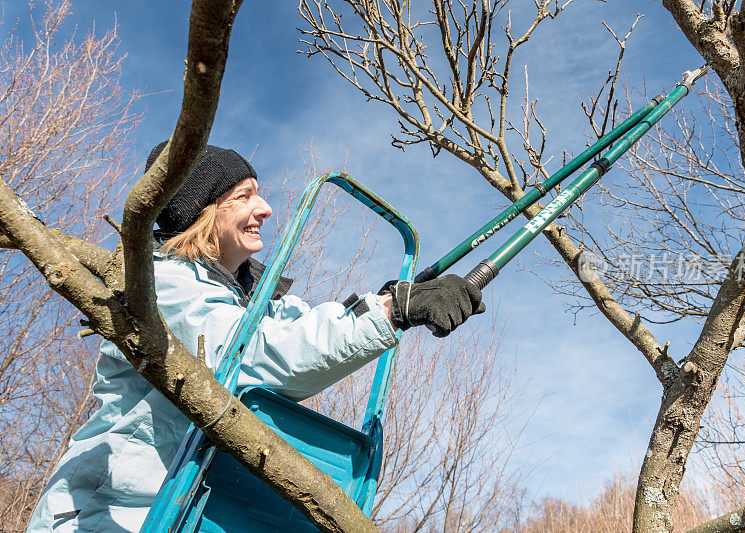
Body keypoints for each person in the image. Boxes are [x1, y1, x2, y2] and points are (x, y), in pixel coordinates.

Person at [27, 143, 484, 532]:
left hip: (188, 506)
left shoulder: (254, 298)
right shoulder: (162, 284)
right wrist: (392, 311)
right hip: (112, 515)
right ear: (202, 210)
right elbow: (253, 357)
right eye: (244, 196)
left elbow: (308, 327)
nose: (264, 209)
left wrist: (389, 300)